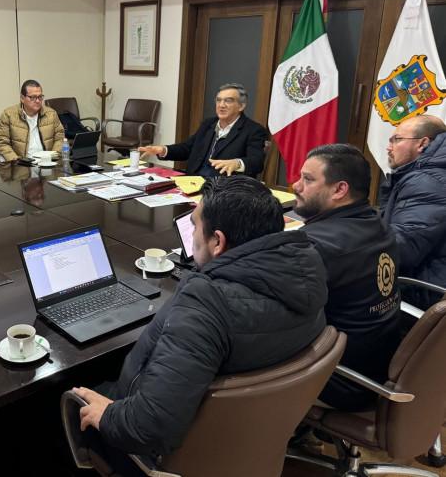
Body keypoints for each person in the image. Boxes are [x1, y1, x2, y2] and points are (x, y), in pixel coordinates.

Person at [73, 176, 327, 473]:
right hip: (245, 440)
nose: (191, 236)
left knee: (66, 398)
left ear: (218, 241)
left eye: (194, 226)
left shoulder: (205, 306)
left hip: (167, 452)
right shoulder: (307, 275)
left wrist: (108, 416)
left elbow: (148, 428)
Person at [293, 144, 400, 411]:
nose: (296, 185)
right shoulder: (377, 222)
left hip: (341, 380)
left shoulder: (316, 246)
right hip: (380, 364)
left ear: (340, 190)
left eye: (308, 179)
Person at [380, 115, 446, 309]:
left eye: (397, 139)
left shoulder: (427, 181)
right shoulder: (431, 174)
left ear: (422, 144)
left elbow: (402, 248)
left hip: (420, 291)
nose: (389, 147)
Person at [139, 83, 267, 178]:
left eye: (228, 101)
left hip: (223, 189)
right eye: (218, 100)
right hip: (192, 182)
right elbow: (187, 148)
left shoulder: (253, 130)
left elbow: (257, 162)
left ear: (241, 106)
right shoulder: (208, 124)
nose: (221, 105)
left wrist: (237, 163)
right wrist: (163, 150)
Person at [0, 79, 64, 161]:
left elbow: (60, 138)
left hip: (47, 162)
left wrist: (53, 157)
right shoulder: (8, 115)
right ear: (22, 98)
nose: (37, 101)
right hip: (21, 163)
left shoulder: (51, 114)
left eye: (40, 97)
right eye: (33, 97)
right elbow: (1, 143)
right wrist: (17, 161)